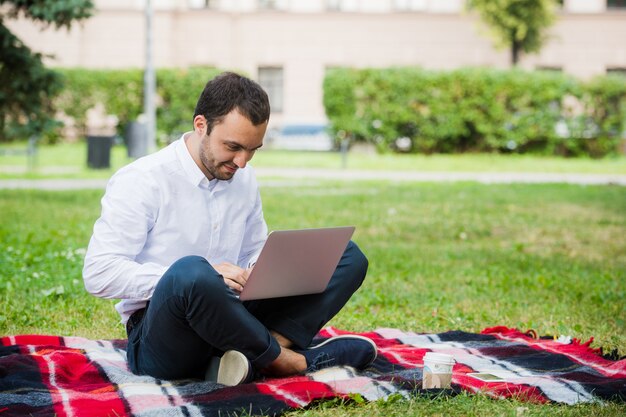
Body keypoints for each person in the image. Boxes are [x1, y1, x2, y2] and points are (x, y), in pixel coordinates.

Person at [83, 72, 376, 385]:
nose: (242, 162)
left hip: (236, 310)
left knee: (346, 256)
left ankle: (247, 355)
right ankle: (286, 360)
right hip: (164, 334)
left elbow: (253, 248)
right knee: (191, 273)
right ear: (201, 125)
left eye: (253, 149)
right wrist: (201, 277)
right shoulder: (142, 180)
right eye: (233, 146)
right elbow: (99, 273)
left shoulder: (241, 176)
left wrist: (259, 268)